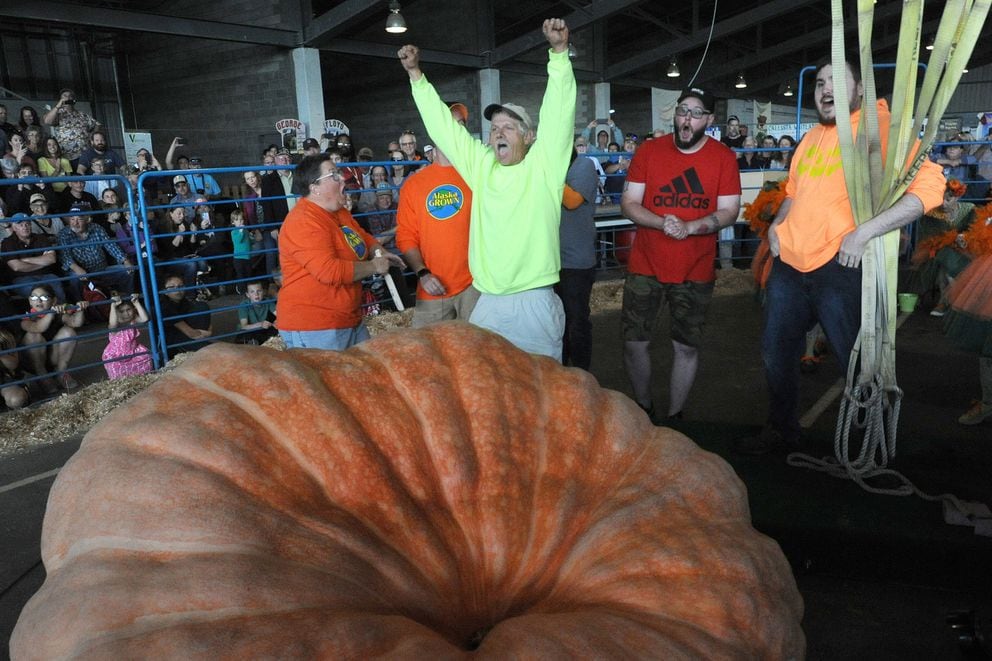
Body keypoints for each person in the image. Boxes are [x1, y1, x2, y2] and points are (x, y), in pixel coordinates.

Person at [736, 58, 946, 454]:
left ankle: (869, 441)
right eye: (819, 83)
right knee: (775, 352)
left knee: (856, 359)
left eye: (835, 81)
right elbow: (793, 191)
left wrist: (865, 232)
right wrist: (778, 226)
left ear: (861, 90)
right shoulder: (813, 137)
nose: (824, 89)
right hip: (790, 265)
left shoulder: (881, 131)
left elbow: (931, 187)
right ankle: (782, 428)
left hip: (843, 266)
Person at [399, 17, 576, 360]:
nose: (499, 133)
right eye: (495, 127)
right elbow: (444, 129)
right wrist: (417, 76)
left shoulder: (544, 167)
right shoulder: (481, 167)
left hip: (533, 302)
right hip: (488, 303)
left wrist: (558, 53)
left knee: (539, 395)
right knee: (490, 396)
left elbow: (559, 113)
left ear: (529, 137)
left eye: (510, 127)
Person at [620, 86, 742, 422]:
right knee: (634, 342)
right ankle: (644, 408)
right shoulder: (649, 151)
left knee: (685, 346)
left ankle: (675, 417)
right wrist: (662, 223)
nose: (686, 119)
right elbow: (629, 202)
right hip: (646, 263)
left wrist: (691, 227)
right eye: (682, 110)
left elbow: (730, 210)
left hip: (695, 267)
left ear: (710, 119)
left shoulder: (723, 158)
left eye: (696, 112)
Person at [276, 153, 404, 350]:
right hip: (316, 324)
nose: (342, 177)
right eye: (334, 175)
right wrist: (374, 266)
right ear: (314, 187)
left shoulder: (338, 211)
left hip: (347, 317)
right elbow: (329, 271)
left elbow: (363, 237)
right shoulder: (302, 222)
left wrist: (378, 251)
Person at [395, 102, 478, 328]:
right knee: (427, 356)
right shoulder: (415, 184)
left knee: (478, 355)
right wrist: (423, 273)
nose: (455, 129)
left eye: (460, 124)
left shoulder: (478, 175)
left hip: (476, 286)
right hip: (433, 287)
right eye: (449, 124)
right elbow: (406, 235)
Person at [557, 149, 599, 370]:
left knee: (576, 321)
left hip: (576, 261)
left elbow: (572, 201)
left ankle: (583, 375)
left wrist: (547, 170)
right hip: (551, 261)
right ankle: (561, 373)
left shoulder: (582, 165)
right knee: (557, 321)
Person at [58, 205, 135, 301]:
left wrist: (125, 260)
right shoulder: (64, 234)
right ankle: (81, 307)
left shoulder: (97, 228)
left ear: (88, 219)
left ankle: (129, 301)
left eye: (79, 219)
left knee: (127, 271)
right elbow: (65, 256)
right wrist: (77, 269)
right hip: (80, 272)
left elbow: (110, 246)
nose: (75, 223)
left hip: (102, 269)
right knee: (74, 278)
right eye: (72, 219)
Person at [20, 284, 86, 393]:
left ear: (53, 301)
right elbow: (39, 327)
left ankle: (61, 372)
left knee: (69, 332)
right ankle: (42, 376)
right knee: (33, 336)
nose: (39, 301)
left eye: (44, 297)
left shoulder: (58, 313)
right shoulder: (26, 317)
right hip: (32, 364)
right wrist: (51, 313)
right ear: (30, 301)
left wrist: (80, 309)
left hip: (52, 357)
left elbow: (75, 322)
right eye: (34, 297)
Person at [2, 213, 66, 301]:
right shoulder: (8, 243)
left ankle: (62, 312)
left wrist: (25, 260)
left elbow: (51, 259)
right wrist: (42, 263)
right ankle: (47, 314)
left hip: (46, 275)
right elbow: (16, 266)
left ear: (30, 225)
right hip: (22, 279)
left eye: (27, 224)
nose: (25, 227)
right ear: (14, 228)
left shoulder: (41, 238)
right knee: (37, 293)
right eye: (20, 225)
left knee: (57, 286)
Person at [158, 273, 212, 358]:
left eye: (181, 286)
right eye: (172, 287)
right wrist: (207, 333)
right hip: (173, 342)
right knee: (210, 351)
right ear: (165, 292)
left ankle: (200, 342)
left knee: (201, 306)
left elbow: (207, 323)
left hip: (189, 335)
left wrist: (207, 332)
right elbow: (191, 333)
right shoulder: (164, 307)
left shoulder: (184, 302)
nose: (178, 290)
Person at [42, 89, 99, 169]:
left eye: (70, 96)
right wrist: (58, 105)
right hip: (65, 156)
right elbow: (47, 121)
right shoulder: (57, 114)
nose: (68, 98)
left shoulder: (82, 115)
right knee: (71, 180)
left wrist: (93, 138)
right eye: (65, 96)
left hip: (84, 155)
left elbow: (97, 125)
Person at [102, 293, 153, 380]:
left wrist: (136, 303)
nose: (126, 313)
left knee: (146, 356)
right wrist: (113, 305)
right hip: (117, 355)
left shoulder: (133, 319)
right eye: (122, 311)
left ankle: (142, 378)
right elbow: (113, 323)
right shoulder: (115, 325)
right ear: (116, 313)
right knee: (117, 374)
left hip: (133, 351)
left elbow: (145, 319)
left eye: (128, 309)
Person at [0, 327, 30, 410]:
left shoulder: (4, 337)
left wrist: (1, 354)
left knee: (17, 400)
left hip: (5, 380)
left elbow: (13, 365)